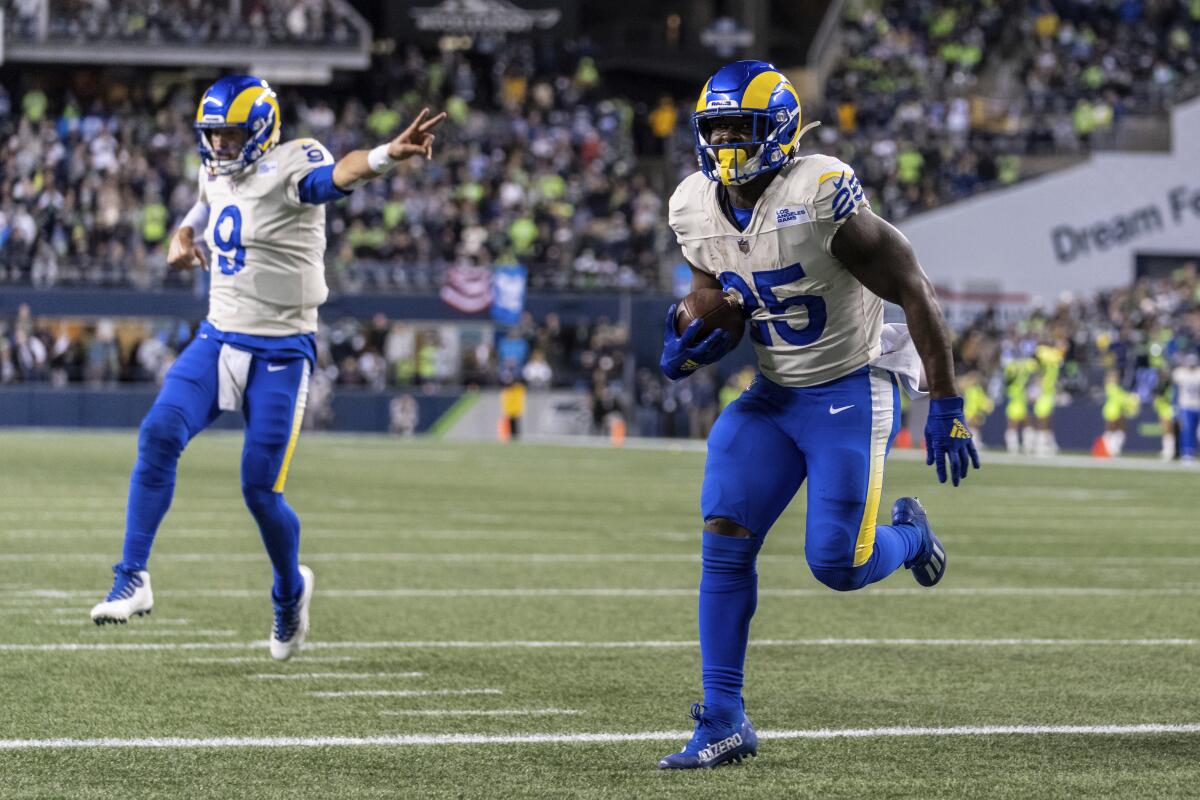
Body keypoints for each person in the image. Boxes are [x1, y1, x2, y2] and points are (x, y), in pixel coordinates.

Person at [655, 61, 979, 769]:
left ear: (777, 129)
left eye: (740, 128)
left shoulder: (821, 191)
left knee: (838, 563)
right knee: (724, 531)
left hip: (849, 385)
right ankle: (723, 718)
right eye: (716, 130)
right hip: (774, 394)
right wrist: (687, 338)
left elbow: (913, 289)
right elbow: (714, 293)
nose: (727, 144)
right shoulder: (692, 204)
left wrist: (947, 401)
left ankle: (911, 537)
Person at [88, 75, 444, 661]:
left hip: (281, 349)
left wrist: (385, 155)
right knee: (157, 434)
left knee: (259, 490)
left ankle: (289, 590)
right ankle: (133, 576)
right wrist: (181, 235)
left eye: (230, 137)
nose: (219, 149)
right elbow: (205, 206)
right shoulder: (216, 169)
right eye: (213, 138)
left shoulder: (293, 164)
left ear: (259, 131)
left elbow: (339, 175)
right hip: (218, 335)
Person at [1172, 352, 1200, 462]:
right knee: (1187, 430)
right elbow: (1175, 390)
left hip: (1198, 405)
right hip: (1186, 405)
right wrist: (1175, 405)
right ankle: (1187, 453)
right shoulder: (1180, 373)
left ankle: (1192, 451)